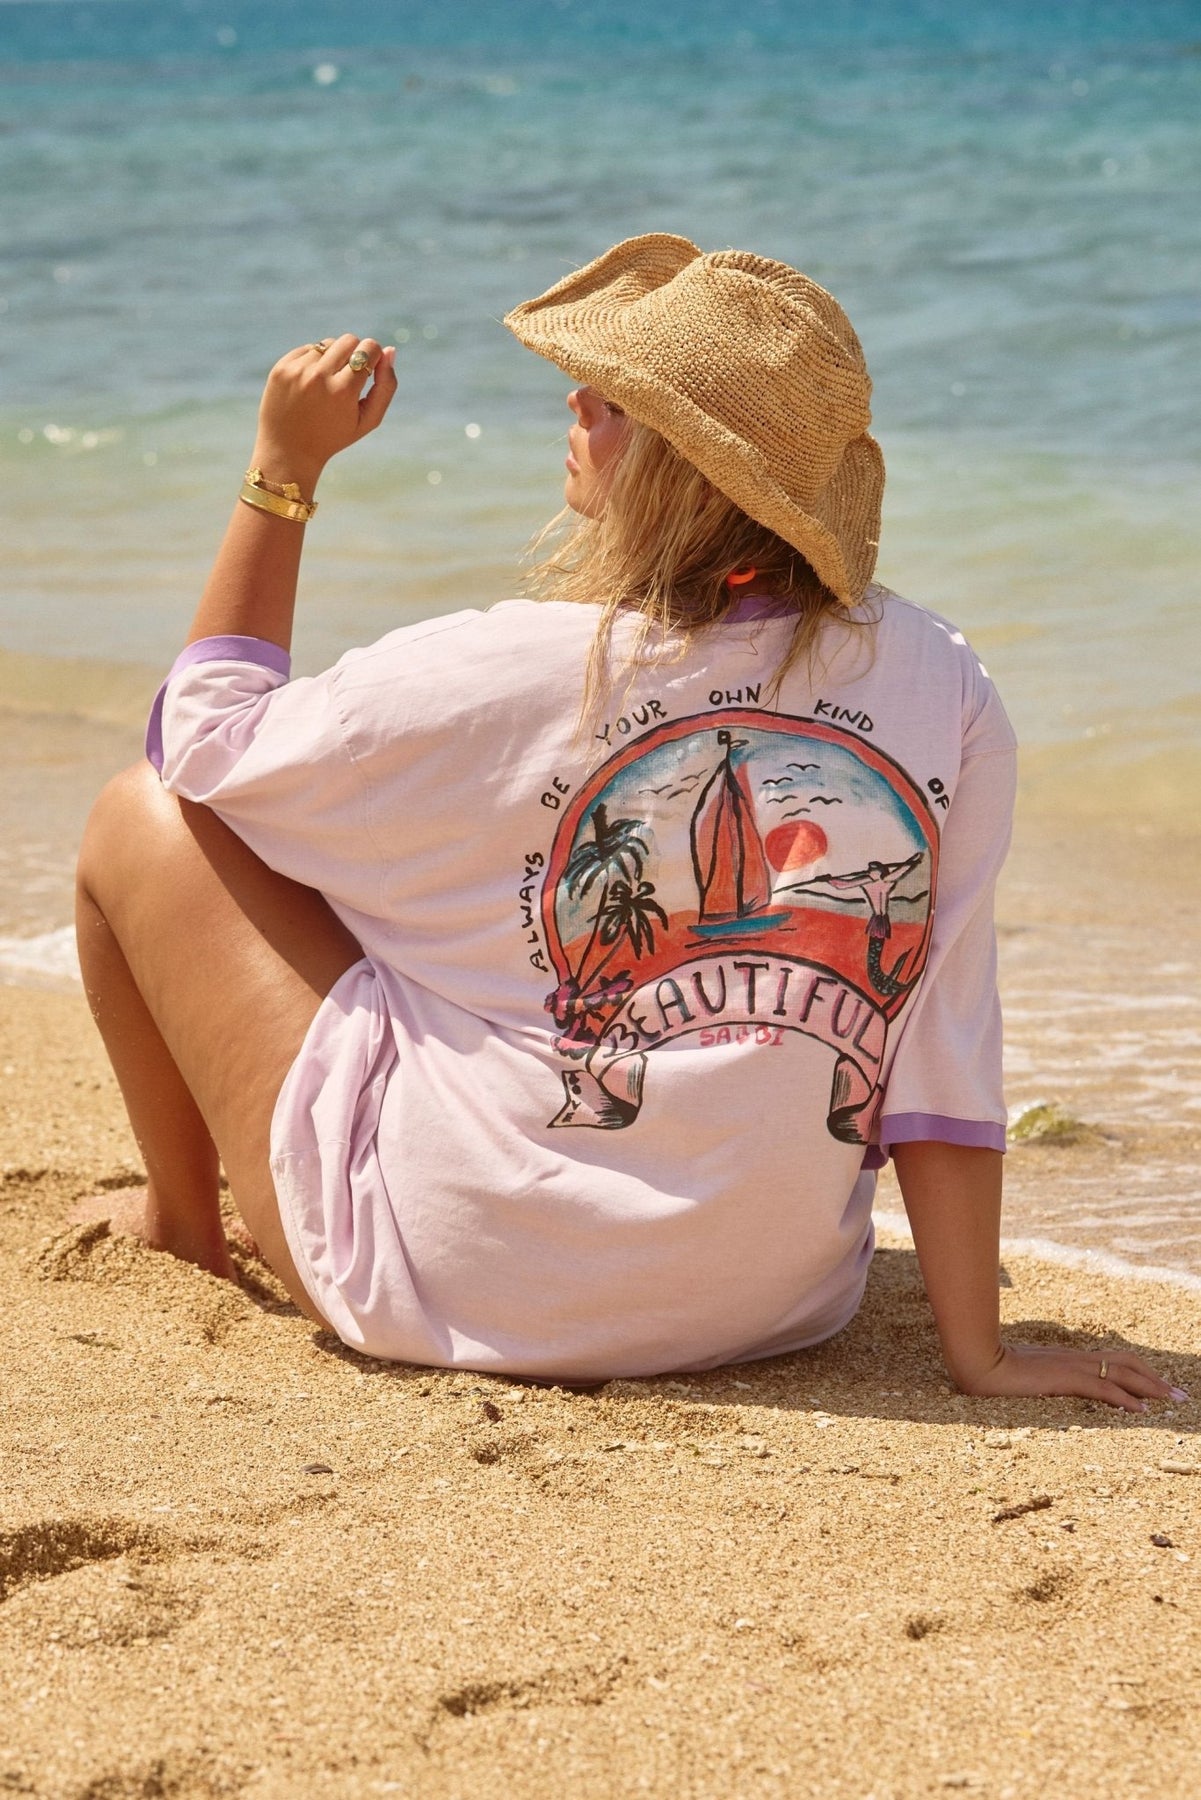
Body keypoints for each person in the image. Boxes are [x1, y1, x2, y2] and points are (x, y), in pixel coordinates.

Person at [76, 233, 1183, 1412]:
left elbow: (201, 736)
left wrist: (282, 470)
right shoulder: (935, 676)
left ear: (674, 470)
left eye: (607, 401)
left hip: (447, 1285)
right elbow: (940, 1028)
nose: (573, 404)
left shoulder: (500, 669)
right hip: (773, 1301)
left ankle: (182, 1221)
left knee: (142, 815)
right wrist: (980, 1354)